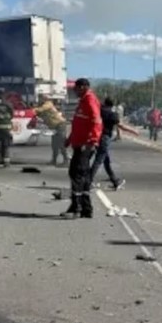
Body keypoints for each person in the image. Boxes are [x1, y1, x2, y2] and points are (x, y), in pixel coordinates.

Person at [61, 78, 102, 219]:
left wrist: (91, 141)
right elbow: (78, 124)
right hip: (79, 144)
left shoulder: (90, 100)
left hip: (85, 145)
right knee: (82, 175)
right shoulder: (83, 101)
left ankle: (76, 208)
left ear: (83, 87)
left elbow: (97, 122)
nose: (74, 91)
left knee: (76, 174)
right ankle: (86, 208)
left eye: (76, 88)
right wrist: (69, 140)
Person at [89, 97, 125, 190]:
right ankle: (88, 181)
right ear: (113, 105)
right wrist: (133, 131)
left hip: (97, 136)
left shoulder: (99, 111)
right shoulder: (112, 114)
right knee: (98, 160)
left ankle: (115, 181)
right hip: (105, 138)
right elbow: (120, 125)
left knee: (106, 161)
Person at [34, 93, 69, 165]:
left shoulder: (48, 104)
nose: (40, 100)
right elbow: (39, 114)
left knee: (61, 143)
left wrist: (32, 110)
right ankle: (54, 160)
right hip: (55, 127)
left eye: (41, 98)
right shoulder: (43, 106)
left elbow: (41, 110)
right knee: (54, 144)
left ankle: (66, 160)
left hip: (60, 125)